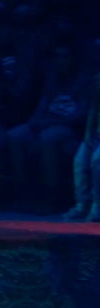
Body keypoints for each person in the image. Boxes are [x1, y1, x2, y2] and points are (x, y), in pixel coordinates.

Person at [63, 72, 100, 222]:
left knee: (97, 161)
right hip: (97, 135)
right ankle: (81, 205)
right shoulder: (98, 79)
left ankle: (97, 206)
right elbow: (94, 108)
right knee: (80, 161)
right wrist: (88, 133)